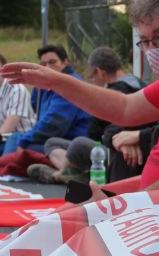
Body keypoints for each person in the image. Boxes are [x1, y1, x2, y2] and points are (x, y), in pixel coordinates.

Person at [1, 0, 159, 193]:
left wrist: (118, 206)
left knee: (65, 221)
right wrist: (55, 81)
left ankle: (70, 180)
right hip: (156, 205)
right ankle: (72, 181)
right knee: (67, 208)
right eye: (145, 41)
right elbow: (125, 108)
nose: (153, 49)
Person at [27, 45, 144, 184]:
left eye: (91, 77)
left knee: (78, 144)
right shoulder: (138, 84)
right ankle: (75, 174)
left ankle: (62, 175)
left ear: (99, 72)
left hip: (115, 148)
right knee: (52, 143)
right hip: (112, 144)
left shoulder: (116, 92)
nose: (92, 81)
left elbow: (115, 128)